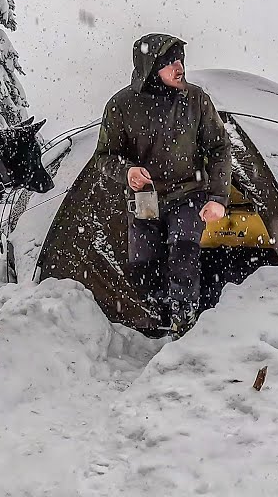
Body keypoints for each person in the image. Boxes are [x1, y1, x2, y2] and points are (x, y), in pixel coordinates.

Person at [95, 33, 232, 336]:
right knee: (143, 264)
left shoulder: (196, 100)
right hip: (145, 198)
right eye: (170, 62)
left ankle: (184, 321)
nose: (179, 67)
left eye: (181, 59)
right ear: (151, 67)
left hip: (188, 192)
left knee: (183, 251)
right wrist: (127, 172)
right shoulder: (121, 105)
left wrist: (218, 197)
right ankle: (156, 320)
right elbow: (104, 157)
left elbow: (220, 148)